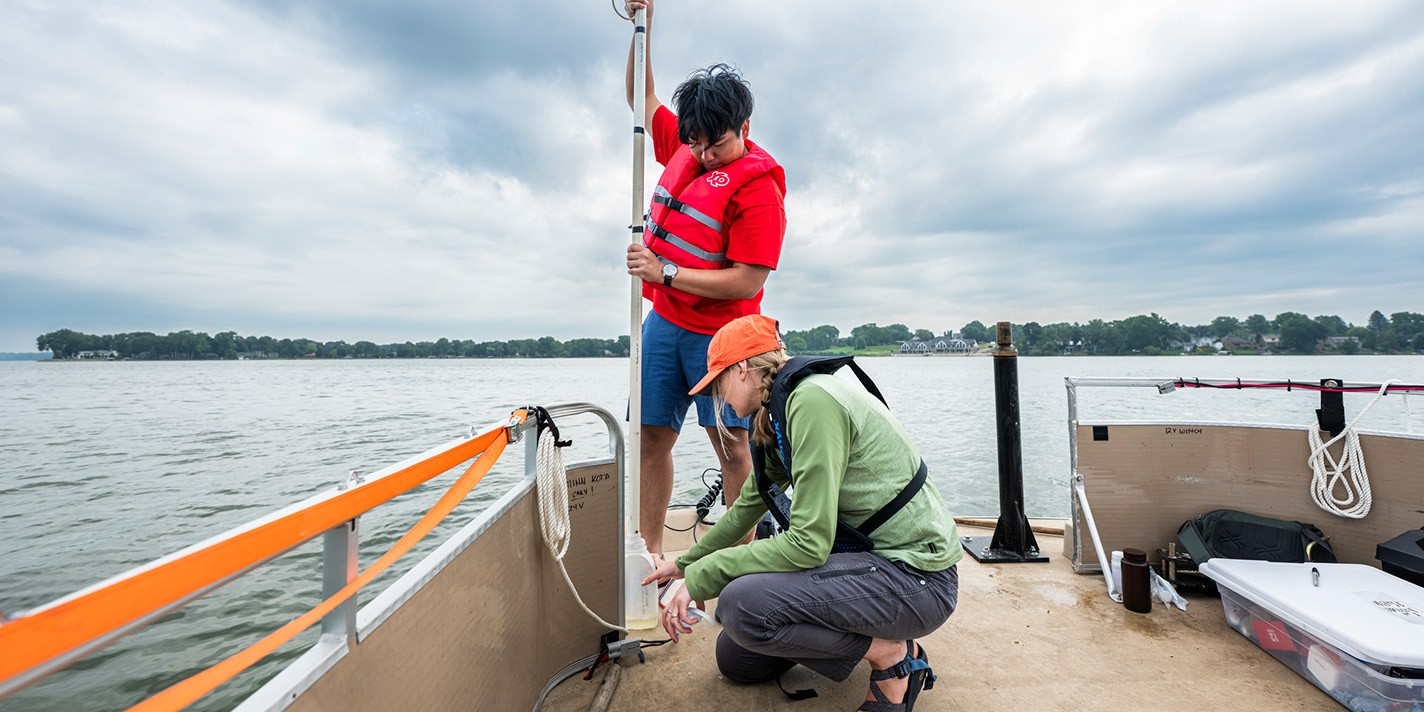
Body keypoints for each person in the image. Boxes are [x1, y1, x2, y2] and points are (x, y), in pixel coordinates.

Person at [643, 314, 963, 712]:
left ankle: (892, 657)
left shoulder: (812, 401)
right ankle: (864, 641)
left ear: (742, 368)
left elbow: (809, 545)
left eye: (718, 383)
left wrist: (703, 577)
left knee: (740, 605)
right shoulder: (776, 411)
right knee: (737, 658)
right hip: (865, 561)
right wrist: (685, 564)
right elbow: (750, 503)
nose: (717, 398)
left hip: (918, 578)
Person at [623, 0, 787, 556]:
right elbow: (640, 102)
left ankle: (733, 567)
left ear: (744, 128)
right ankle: (649, 558)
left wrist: (665, 271)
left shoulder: (758, 191)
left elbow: (746, 281)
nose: (704, 154)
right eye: (696, 143)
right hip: (664, 326)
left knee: (734, 449)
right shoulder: (689, 144)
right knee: (650, 440)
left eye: (716, 144)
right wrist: (642, 27)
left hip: (727, 336)